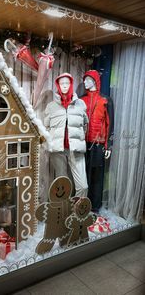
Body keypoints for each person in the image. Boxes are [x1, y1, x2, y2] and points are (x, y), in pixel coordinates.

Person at [44, 73, 88, 197]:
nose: (64, 86)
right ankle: (62, 212)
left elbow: (85, 125)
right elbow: (46, 127)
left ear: (71, 85)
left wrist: (79, 140)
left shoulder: (80, 104)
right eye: (62, 83)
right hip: (58, 150)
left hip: (76, 149)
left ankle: (79, 213)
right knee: (61, 185)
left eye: (67, 83)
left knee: (83, 186)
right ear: (58, 85)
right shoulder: (51, 106)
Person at [81, 70, 114, 213]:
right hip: (83, 143)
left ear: (95, 81)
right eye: (84, 80)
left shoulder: (105, 100)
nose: (85, 82)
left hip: (98, 144)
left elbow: (109, 124)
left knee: (97, 175)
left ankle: (94, 207)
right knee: (83, 175)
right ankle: (82, 204)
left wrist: (109, 146)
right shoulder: (81, 100)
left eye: (88, 79)